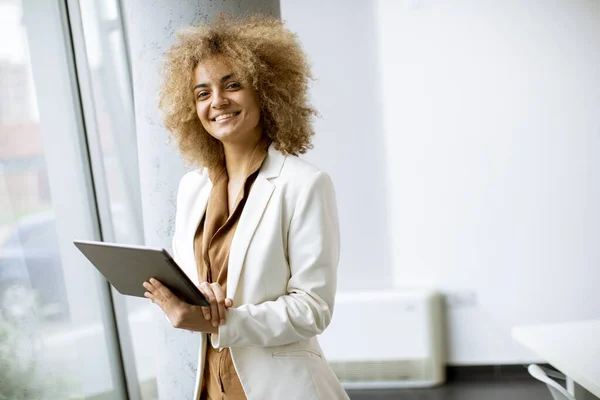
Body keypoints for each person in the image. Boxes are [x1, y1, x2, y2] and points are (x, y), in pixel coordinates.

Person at [142, 14, 349, 400]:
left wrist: (224, 321)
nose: (217, 102)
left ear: (265, 91)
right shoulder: (192, 188)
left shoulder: (304, 185)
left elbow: (314, 308)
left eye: (232, 85)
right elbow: (194, 283)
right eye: (202, 93)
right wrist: (192, 298)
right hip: (209, 386)